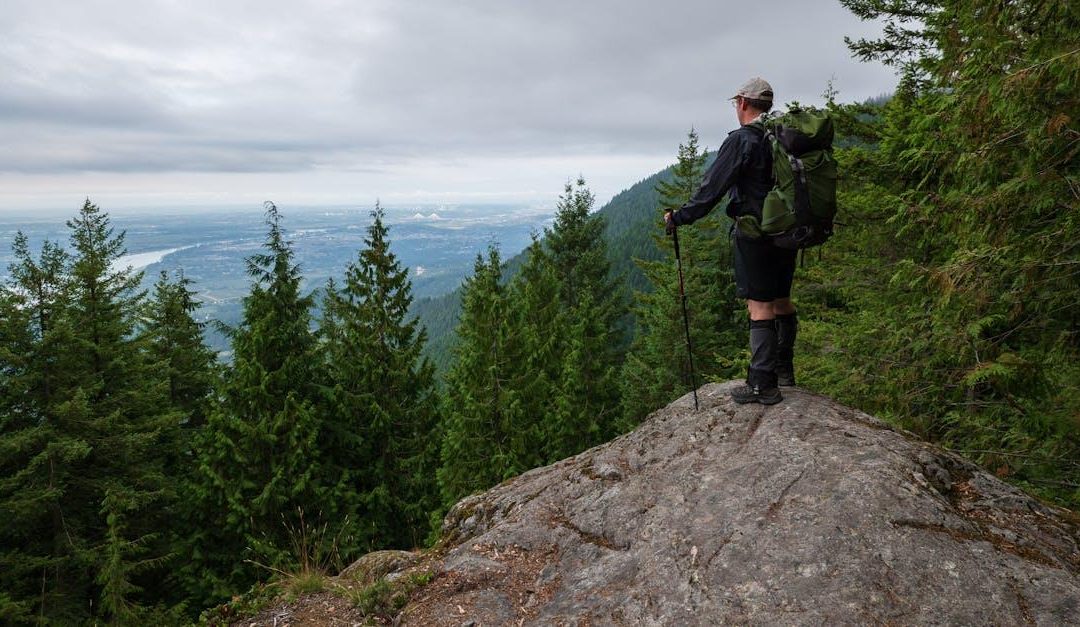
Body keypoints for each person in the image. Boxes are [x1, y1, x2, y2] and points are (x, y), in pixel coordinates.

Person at [664, 77, 798, 405]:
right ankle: (783, 371)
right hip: (789, 230)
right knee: (781, 299)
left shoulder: (743, 140)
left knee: (760, 304)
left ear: (742, 103)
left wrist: (679, 217)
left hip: (756, 233)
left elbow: (712, 189)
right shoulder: (785, 137)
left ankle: (762, 384)